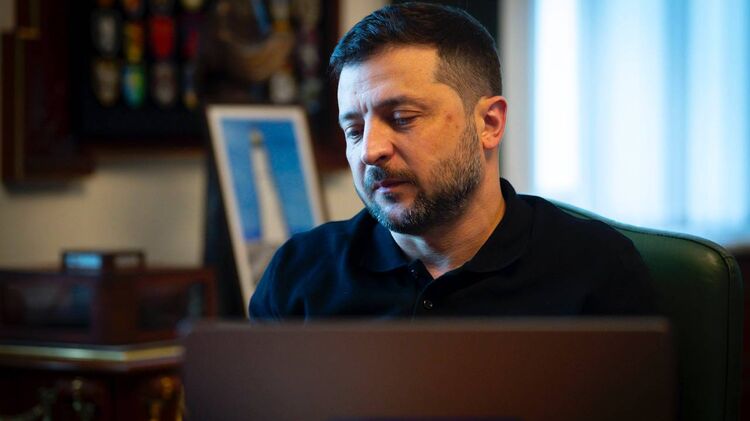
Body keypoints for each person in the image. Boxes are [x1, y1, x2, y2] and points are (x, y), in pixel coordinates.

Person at [249, 2, 655, 319]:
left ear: (489, 123)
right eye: (354, 130)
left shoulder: (597, 270)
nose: (370, 151)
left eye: (402, 118)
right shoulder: (299, 275)